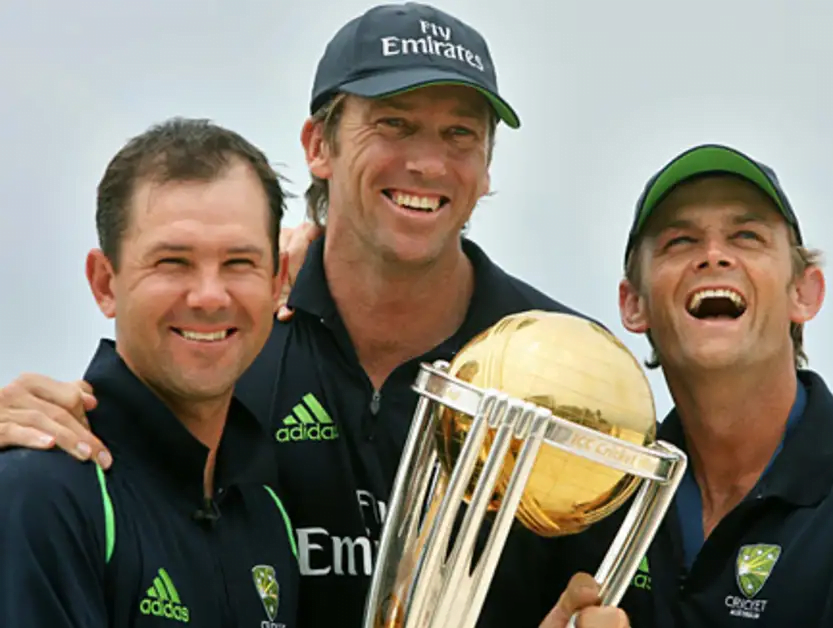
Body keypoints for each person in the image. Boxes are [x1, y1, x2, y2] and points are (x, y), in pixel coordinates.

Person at [0, 3, 626, 627]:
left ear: (488, 163)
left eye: (460, 134)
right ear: (317, 145)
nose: (429, 163)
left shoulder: (569, 372)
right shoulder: (231, 345)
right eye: (394, 124)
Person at [552, 143, 833, 627]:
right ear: (633, 304)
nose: (713, 256)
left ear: (804, 293)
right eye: (679, 241)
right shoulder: (595, 500)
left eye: (746, 236)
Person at [0, 117, 300, 626]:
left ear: (278, 283)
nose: (209, 296)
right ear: (105, 283)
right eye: (173, 262)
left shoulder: (267, 512)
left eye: (239, 263)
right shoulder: (42, 491)